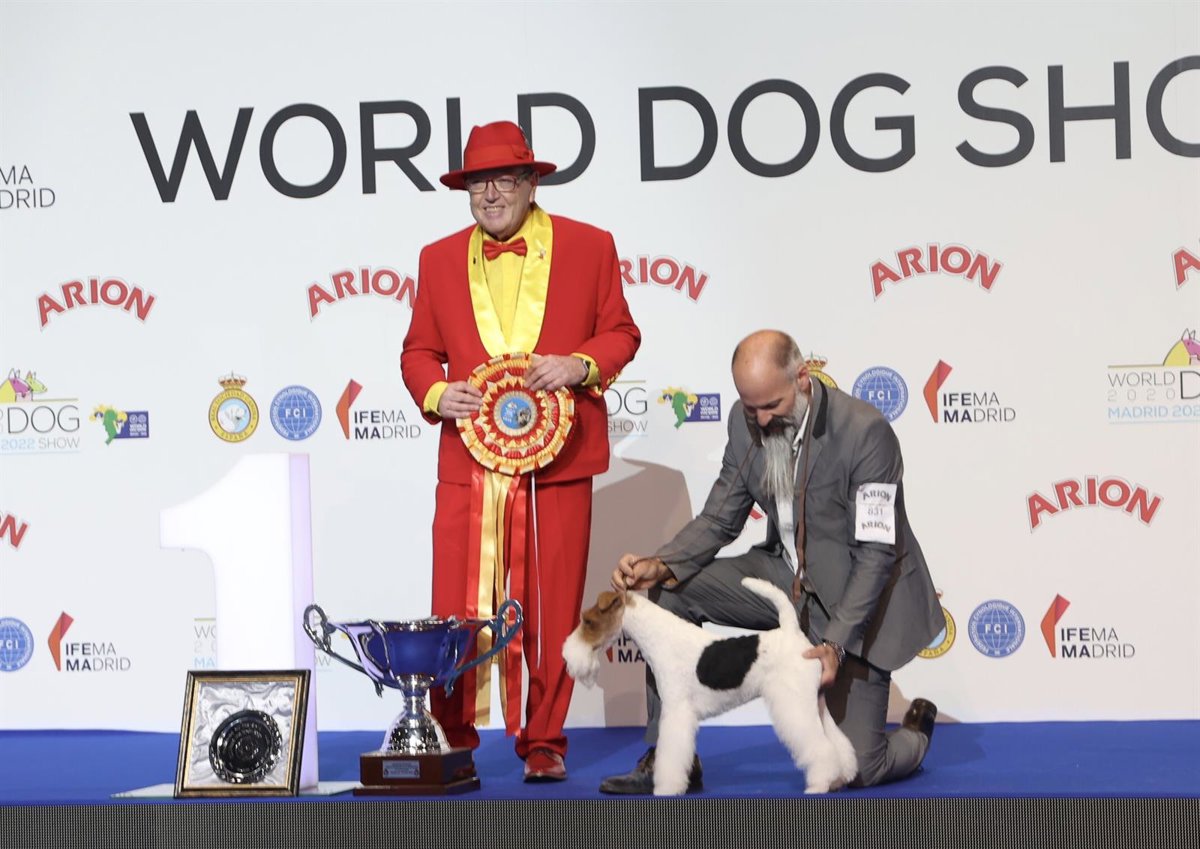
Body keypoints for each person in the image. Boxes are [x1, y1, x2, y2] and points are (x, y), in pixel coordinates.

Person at [401, 120, 641, 782]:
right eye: (477, 183)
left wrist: (580, 365)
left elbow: (622, 332)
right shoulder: (437, 258)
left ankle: (545, 740)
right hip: (468, 463)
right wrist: (437, 391)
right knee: (456, 605)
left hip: (559, 460)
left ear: (532, 183)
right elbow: (418, 350)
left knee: (553, 606)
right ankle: (450, 734)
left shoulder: (591, 246)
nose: (490, 194)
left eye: (504, 179)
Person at [601, 329, 941, 793]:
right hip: (785, 580)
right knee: (669, 590)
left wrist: (836, 643)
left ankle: (917, 734)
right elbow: (720, 516)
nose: (760, 420)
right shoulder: (744, 424)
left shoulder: (865, 433)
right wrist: (661, 563)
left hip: (857, 605)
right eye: (750, 407)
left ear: (802, 378)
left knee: (857, 768)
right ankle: (670, 757)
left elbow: (875, 555)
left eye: (771, 406)